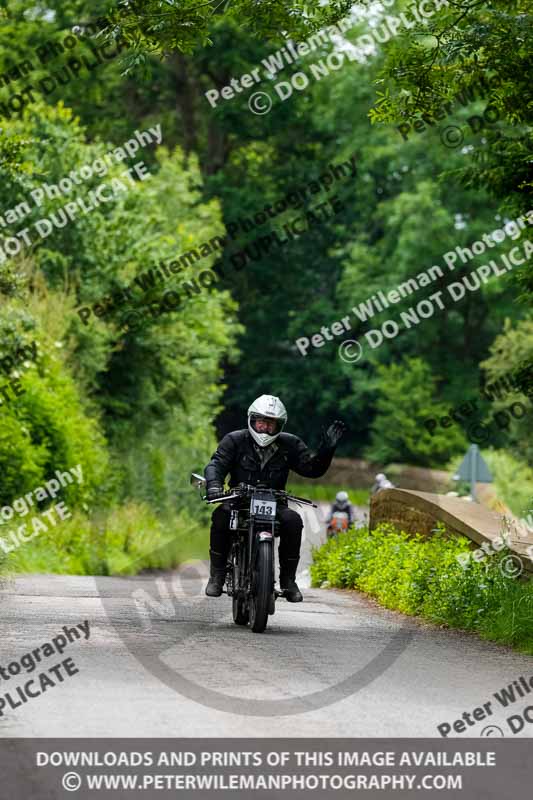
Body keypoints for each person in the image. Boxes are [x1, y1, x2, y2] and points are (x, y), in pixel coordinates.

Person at [204, 394, 346, 602]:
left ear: (279, 426)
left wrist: (327, 451)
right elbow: (216, 465)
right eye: (261, 421)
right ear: (252, 419)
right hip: (238, 500)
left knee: (293, 521)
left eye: (271, 424)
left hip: (274, 502)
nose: (264, 428)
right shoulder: (234, 440)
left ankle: (288, 580)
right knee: (221, 517)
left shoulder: (290, 444)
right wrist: (215, 485)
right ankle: (217, 575)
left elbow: (311, 468)